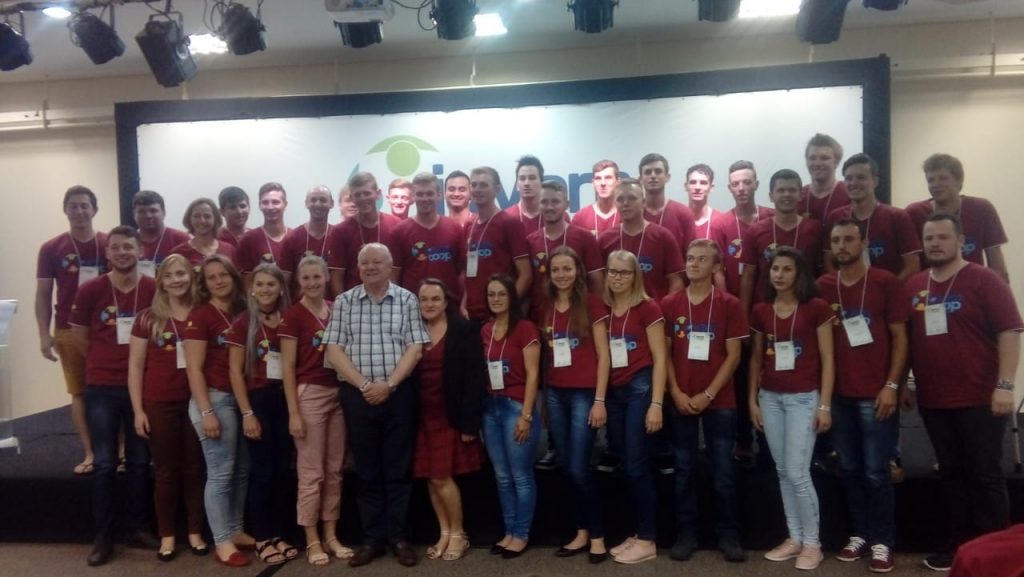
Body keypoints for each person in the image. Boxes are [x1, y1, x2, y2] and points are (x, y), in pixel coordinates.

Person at [903, 213, 1022, 571]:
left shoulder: (984, 279)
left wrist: (1005, 385)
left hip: (980, 397)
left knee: (985, 476)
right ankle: (958, 547)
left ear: (961, 241)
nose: (935, 243)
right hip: (934, 399)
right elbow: (907, 340)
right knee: (951, 475)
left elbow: (1010, 332)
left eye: (943, 237)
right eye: (929, 238)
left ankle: (995, 556)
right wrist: (903, 381)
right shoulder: (915, 286)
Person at [324, 243, 429, 568]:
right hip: (358, 396)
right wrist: (365, 386)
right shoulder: (344, 302)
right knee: (367, 471)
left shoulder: (407, 299)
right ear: (358, 268)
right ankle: (372, 540)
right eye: (364, 263)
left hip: (399, 395)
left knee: (398, 470)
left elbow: (415, 347)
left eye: (377, 262)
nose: (370, 267)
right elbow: (334, 350)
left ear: (390, 265)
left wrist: (390, 384)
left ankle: (399, 538)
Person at [818, 219, 908, 573]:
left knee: (876, 471)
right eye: (836, 240)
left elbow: (900, 338)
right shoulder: (824, 286)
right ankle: (860, 533)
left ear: (864, 242)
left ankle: (883, 541)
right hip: (839, 395)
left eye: (848, 239)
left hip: (876, 394)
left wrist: (893, 385)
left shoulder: (885, 282)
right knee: (850, 468)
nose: (842, 246)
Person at [70, 225, 158, 566]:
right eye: (116, 247)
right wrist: (103, 361)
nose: (122, 253)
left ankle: (137, 526)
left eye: (128, 247)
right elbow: (79, 337)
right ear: (107, 253)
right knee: (105, 463)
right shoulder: (91, 289)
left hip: (142, 386)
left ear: (140, 251)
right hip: (102, 386)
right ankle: (103, 534)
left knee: (138, 462)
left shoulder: (152, 288)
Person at [748, 246, 835, 571]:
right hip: (770, 397)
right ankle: (795, 537)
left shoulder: (816, 308)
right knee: (783, 471)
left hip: (804, 398)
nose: (779, 275)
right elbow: (756, 359)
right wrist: (752, 400)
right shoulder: (761, 310)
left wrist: (824, 405)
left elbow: (828, 359)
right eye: (775, 269)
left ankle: (813, 543)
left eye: (786, 269)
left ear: (799, 274)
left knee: (798, 473)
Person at [661, 240, 748, 563]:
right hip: (681, 397)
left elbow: (734, 356)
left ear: (716, 267)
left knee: (723, 471)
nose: (693, 264)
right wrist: (675, 392)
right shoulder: (670, 302)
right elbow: (664, 353)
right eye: (690, 258)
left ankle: (728, 534)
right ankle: (687, 533)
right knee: (684, 469)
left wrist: (708, 394)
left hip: (719, 400)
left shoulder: (730, 304)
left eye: (701, 259)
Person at [127, 254, 208, 561]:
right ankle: (167, 535)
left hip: (196, 400)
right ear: (160, 282)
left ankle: (195, 532)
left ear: (191, 277)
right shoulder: (147, 318)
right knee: (165, 471)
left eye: (182, 274)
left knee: (194, 468)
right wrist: (138, 410)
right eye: (170, 275)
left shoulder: (202, 313)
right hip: (159, 402)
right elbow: (135, 367)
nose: (177, 280)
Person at [280, 256, 354, 566]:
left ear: (326, 278)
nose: (312, 282)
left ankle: (331, 535)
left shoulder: (337, 309)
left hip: (338, 391)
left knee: (334, 469)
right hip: (309, 393)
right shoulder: (293, 315)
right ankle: (312, 539)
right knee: (312, 473)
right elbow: (287, 367)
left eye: (316, 277)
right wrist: (293, 413)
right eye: (306, 278)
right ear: (299, 281)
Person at [184, 255, 255, 567]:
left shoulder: (243, 310)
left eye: (223, 275)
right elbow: (194, 369)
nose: (219, 281)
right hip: (215, 400)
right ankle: (222, 541)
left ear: (233, 277)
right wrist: (206, 411)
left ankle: (235, 529)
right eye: (211, 277)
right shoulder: (200, 316)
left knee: (241, 470)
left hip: (241, 400)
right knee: (221, 473)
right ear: (204, 283)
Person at [541, 246, 610, 564]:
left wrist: (599, 400)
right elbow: (547, 359)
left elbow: (604, 355)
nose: (561, 274)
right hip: (556, 395)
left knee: (580, 468)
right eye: (556, 269)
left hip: (584, 395)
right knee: (568, 468)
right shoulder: (546, 307)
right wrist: (544, 400)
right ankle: (581, 532)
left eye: (567, 268)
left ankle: (597, 536)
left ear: (578, 271)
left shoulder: (592, 304)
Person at [226, 264, 298, 565]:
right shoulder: (243, 323)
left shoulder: (290, 318)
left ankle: (279, 533)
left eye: (271, 284)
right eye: (260, 284)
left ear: (281, 288)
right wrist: (247, 413)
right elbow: (235, 371)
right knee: (263, 471)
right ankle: (263, 536)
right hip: (259, 400)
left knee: (282, 470)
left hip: (287, 398)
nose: (266, 289)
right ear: (251, 289)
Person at [35, 185, 107, 475]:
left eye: (84, 206)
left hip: (107, 329)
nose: (79, 211)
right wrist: (44, 335)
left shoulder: (108, 243)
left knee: (116, 391)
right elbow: (43, 294)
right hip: (67, 328)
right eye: (73, 206)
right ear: (65, 210)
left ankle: (122, 450)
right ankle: (90, 452)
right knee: (79, 392)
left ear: (94, 209)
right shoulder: (51, 248)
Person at [414, 279, 485, 562]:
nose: (429, 304)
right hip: (420, 416)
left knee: (442, 476)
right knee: (431, 477)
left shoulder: (463, 330)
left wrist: (470, 423)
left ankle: (459, 533)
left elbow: (474, 379)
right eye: (424, 299)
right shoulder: (412, 329)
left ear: (446, 302)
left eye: (435, 299)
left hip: (450, 414)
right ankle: (443, 532)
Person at [603, 250, 667, 564]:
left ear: (635, 276)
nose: (618, 277)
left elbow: (661, 359)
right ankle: (638, 533)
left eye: (624, 272)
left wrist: (656, 403)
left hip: (640, 388)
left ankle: (647, 539)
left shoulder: (648, 307)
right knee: (627, 463)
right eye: (613, 271)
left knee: (638, 464)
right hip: (614, 391)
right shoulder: (604, 309)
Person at [709, 161, 774, 464]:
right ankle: (744, 439)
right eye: (736, 184)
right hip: (736, 313)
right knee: (740, 378)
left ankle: (769, 439)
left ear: (756, 184)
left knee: (769, 376)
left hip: (772, 312)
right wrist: (732, 309)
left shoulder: (771, 218)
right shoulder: (722, 223)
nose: (742, 188)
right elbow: (718, 270)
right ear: (729, 188)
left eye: (747, 182)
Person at [480, 274, 541, 559]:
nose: (496, 299)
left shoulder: (526, 328)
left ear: (511, 297)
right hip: (490, 408)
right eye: (491, 294)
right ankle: (508, 531)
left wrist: (526, 415)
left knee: (520, 476)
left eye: (501, 294)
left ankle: (521, 534)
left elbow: (533, 375)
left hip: (516, 408)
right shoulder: (485, 330)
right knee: (502, 476)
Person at [905, 153, 1009, 283]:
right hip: (931, 288)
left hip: (974, 286)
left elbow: (996, 261)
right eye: (931, 180)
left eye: (943, 178)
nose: (936, 184)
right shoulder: (915, 213)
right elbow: (910, 263)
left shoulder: (982, 208)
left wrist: (1000, 290)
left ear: (959, 181)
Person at [823, 153, 920, 281]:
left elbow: (912, 265)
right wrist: (841, 286)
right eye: (848, 178)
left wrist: (889, 289)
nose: (854, 183)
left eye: (861, 177)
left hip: (888, 291)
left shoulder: (897, 217)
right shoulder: (835, 217)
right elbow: (828, 261)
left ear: (875, 181)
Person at [740, 169, 823, 314]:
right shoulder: (755, 231)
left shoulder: (814, 228)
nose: (786, 194)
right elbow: (748, 277)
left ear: (801, 195)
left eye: (792, 190)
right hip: (765, 311)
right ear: (771, 196)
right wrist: (744, 316)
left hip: (805, 310)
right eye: (781, 190)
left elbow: (822, 272)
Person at [526, 180, 604, 321]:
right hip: (541, 318)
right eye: (544, 202)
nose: (549, 207)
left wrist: (596, 316)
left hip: (578, 318)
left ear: (567, 204)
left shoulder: (585, 238)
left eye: (555, 201)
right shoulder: (530, 241)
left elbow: (597, 282)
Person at [462, 166, 532, 322]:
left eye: (484, 185)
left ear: (497, 189)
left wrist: (504, 309)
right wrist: (463, 303)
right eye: (474, 185)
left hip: (498, 316)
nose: (478, 189)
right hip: (470, 315)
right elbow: (469, 272)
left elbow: (526, 275)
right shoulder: (469, 225)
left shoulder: (509, 223)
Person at [598, 179, 685, 300]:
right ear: (615, 204)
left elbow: (676, 281)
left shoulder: (663, 237)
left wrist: (664, 308)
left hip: (656, 309)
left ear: (643, 202)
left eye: (632, 198)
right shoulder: (605, 240)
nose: (625, 203)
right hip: (617, 310)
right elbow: (599, 282)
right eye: (620, 199)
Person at [391, 172, 465, 303]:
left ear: (439, 195)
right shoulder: (399, 232)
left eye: (429, 193)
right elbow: (393, 277)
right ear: (413, 196)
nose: (425, 198)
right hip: (413, 307)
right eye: (420, 194)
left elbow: (462, 273)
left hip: (450, 306)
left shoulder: (455, 228)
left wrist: (462, 303)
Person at [329, 172, 401, 295]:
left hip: (389, 299)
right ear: (352, 198)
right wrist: (343, 304)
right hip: (354, 301)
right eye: (358, 195)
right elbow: (336, 278)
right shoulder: (340, 231)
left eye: (367, 193)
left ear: (378, 194)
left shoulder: (395, 225)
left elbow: (396, 271)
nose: (363, 198)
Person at [278, 185, 334, 299]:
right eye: (313, 200)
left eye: (323, 200)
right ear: (306, 203)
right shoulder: (292, 238)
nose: (317, 204)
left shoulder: (338, 236)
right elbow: (284, 281)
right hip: (299, 304)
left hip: (332, 305)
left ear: (331, 203)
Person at [638, 153, 696, 251]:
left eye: (658, 171)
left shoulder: (683, 213)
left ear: (667, 177)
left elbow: (692, 253)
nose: (653, 176)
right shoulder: (633, 213)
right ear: (640, 179)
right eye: (648, 172)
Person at [236, 182, 290, 281]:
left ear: (285, 205)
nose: (270, 207)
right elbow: (246, 283)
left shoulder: (295, 237)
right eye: (265, 202)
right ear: (259, 205)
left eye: (275, 202)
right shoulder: (248, 240)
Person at [133, 190, 190, 278]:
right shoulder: (128, 241)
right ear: (134, 214)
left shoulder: (181, 239)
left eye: (153, 211)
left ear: (164, 212)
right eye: (141, 211)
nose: (148, 216)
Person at [171, 198, 236, 269]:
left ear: (215, 219)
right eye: (196, 216)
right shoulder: (179, 253)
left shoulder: (229, 250)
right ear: (189, 219)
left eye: (207, 216)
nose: (202, 221)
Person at [802, 133, 850, 222]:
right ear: (806, 161)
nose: (817, 163)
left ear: (837, 162)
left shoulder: (849, 193)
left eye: (824, 158)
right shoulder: (799, 196)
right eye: (812, 158)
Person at [572, 159, 621, 237]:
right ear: (593, 183)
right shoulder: (580, 217)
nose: (603, 183)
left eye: (608, 178)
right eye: (598, 178)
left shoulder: (626, 214)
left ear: (618, 182)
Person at [504, 155, 544, 234]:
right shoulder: (506, 218)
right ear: (516, 184)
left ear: (541, 182)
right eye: (522, 178)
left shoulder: (556, 216)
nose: (526, 183)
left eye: (532, 178)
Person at [686, 164, 721, 240]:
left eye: (703, 183)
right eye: (693, 182)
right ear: (686, 186)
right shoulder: (677, 220)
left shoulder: (721, 221)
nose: (697, 187)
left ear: (711, 188)